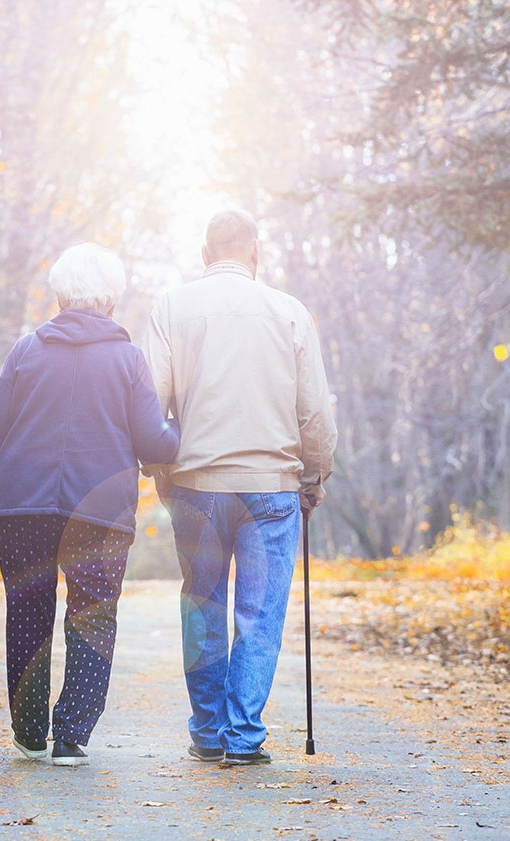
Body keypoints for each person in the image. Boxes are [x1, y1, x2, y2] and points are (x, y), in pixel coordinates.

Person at [0, 242, 180, 767]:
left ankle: (30, 733)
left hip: (21, 507)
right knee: (92, 616)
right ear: (111, 299)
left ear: (60, 296)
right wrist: (181, 429)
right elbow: (154, 444)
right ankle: (72, 735)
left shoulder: (26, 351)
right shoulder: (128, 359)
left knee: (29, 615)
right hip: (98, 511)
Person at [141, 210, 337, 766]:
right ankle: (243, 737)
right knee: (260, 615)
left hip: (196, 485)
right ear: (257, 253)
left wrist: (161, 472)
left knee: (202, 606)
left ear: (206, 254)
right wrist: (315, 474)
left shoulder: (171, 308)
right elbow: (315, 411)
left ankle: (207, 733)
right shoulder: (290, 312)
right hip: (271, 489)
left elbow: (152, 403)